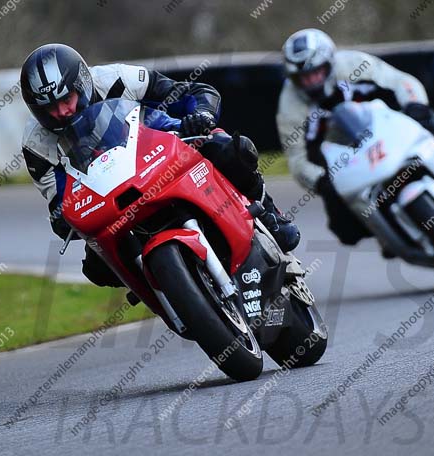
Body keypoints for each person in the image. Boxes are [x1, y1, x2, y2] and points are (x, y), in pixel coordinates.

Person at [20, 43, 299, 287]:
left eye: (66, 99)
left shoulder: (118, 78)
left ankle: (270, 214)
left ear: (82, 83)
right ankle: (161, 287)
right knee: (98, 267)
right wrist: (61, 216)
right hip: (108, 196)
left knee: (228, 148)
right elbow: (60, 198)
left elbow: (192, 92)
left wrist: (200, 114)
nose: (61, 112)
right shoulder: (36, 144)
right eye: (49, 108)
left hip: (159, 153)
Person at [276, 29, 434, 247]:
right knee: (346, 231)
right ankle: (387, 235)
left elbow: (401, 82)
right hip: (339, 158)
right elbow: (297, 160)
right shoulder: (289, 106)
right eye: (303, 77)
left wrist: (415, 105)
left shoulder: (354, 64)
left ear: (329, 62)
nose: (312, 81)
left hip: (386, 128)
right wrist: (321, 180)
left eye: (317, 72)